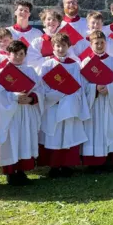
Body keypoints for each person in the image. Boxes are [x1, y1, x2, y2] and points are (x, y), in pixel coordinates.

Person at [0, 41, 44, 185]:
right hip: (11, 114)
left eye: (21, 54)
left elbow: (40, 90)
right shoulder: (0, 73)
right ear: (8, 54)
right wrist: (14, 97)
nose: (18, 57)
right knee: (12, 140)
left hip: (26, 111)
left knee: (24, 139)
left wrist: (32, 98)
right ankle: (10, 172)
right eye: (15, 53)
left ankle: (21, 171)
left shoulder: (31, 71)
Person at [38, 33, 90, 178]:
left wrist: (69, 96)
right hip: (54, 105)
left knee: (68, 134)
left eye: (64, 46)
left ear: (68, 47)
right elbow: (43, 86)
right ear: (53, 47)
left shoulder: (74, 65)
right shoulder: (47, 64)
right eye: (58, 46)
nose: (60, 49)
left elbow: (78, 86)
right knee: (53, 136)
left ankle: (67, 165)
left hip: (69, 106)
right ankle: (54, 166)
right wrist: (57, 95)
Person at [80, 31, 113, 171]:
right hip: (94, 102)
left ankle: (108, 161)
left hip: (108, 102)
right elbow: (82, 85)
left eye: (102, 43)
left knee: (108, 128)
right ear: (91, 44)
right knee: (93, 129)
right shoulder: (86, 62)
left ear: (106, 43)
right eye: (96, 43)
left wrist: (110, 88)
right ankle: (93, 162)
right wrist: (94, 88)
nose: (99, 46)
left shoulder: (112, 61)